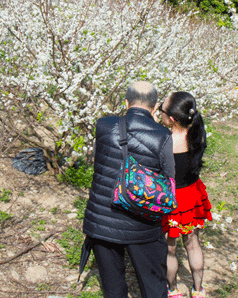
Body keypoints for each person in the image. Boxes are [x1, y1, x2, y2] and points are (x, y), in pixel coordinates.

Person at [82, 81, 175, 298]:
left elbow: (99, 161)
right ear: (155, 107)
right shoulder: (163, 136)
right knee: (153, 284)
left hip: (102, 220)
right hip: (142, 224)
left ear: (126, 102)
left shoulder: (103, 125)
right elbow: (169, 177)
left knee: (113, 287)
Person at [158, 92, 212, 298]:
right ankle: (198, 290)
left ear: (172, 119)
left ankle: (172, 290)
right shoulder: (198, 133)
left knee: (170, 248)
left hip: (171, 198)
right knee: (193, 244)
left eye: (162, 109)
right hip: (192, 194)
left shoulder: (165, 140)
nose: (160, 112)